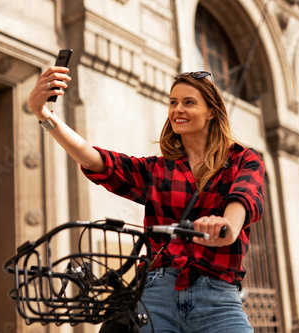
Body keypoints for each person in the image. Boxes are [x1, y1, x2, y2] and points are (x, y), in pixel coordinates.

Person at [28, 67, 265, 332]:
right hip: (155, 295)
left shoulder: (243, 159)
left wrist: (226, 227)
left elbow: (244, 197)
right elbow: (95, 159)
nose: (178, 110)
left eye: (189, 102)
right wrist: (44, 114)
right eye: (173, 102)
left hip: (218, 297)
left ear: (212, 111)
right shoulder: (157, 169)